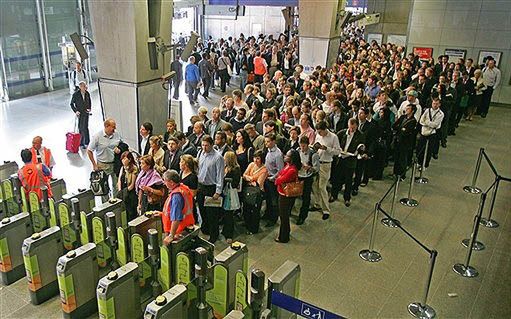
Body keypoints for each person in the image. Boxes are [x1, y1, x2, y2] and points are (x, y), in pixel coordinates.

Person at [196, 135, 225, 243]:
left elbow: (220, 176)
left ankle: (214, 235)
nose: (204, 147)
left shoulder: (218, 157)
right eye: (203, 145)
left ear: (212, 145)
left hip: (211, 188)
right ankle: (206, 230)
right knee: (202, 212)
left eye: (206, 145)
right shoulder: (201, 153)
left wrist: (218, 191)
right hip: (201, 186)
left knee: (212, 214)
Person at [331, 118, 365, 207]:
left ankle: (347, 198)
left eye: (353, 128)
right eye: (350, 127)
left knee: (348, 180)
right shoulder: (342, 133)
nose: (351, 130)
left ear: (357, 126)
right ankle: (334, 195)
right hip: (340, 158)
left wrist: (360, 151)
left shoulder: (360, 135)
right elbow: (335, 142)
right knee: (336, 178)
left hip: (351, 160)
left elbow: (361, 147)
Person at [87, 119, 122, 199]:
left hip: (114, 164)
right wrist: (94, 165)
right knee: (103, 186)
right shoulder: (97, 136)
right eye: (113, 127)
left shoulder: (116, 134)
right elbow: (89, 151)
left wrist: (119, 148)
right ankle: (106, 206)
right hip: (102, 165)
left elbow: (122, 144)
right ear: (106, 126)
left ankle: (116, 202)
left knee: (116, 185)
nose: (115, 128)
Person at [313, 121, 340, 220]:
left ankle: (326, 210)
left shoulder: (333, 137)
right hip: (317, 162)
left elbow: (338, 151)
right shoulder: (318, 135)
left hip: (326, 164)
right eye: (318, 132)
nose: (319, 134)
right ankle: (317, 204)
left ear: (325, 130)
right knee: (314, 185)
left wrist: (327, 148)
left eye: (320, 132)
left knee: (322, 187)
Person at [161, 169, 195, 245]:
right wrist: (161, 213)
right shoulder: (183, 188)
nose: (164, 183)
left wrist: (171, 235)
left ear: (172, 182)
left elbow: (176, 218)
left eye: (165, 181)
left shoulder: (176, 195)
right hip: (187, 224)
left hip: (178, 230)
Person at [274, 149, 301, 243]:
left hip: (286, 196)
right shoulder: (288, 166)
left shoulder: (292, 170)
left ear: (292, 159)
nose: (285, 156)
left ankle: (284, 237)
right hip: (282, 193)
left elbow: (278, 180)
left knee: (284, 216)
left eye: (287, 156)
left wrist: (279, 178)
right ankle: (285, 232)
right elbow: (280, 176)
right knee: (283, 216)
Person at [242, 150, 268, 234]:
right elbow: (244, 175)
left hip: (257, 193)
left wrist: (249, 178)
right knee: (246, 208)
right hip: (247, 190)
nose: (255, 160)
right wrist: (251, 179)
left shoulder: (264, 169)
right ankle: (247, 224)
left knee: (255, 212)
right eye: (254, 158)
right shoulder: (251, 165)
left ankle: (253, 229)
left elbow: (259, 183)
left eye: (258, 158)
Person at [296, 136, 319, 225]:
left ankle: (303, 216)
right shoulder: (298, 150)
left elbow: (316, 168)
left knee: (306, 197)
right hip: (298, 176)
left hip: (307, 177)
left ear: (308, 145)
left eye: (304, 146)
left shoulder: (313, 154)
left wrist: (309, 167)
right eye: (301, 146)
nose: (302, 148)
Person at [263, 133, 284, 227]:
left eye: (268, 142)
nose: (266, 143)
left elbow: (280, 170)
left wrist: (272, 178)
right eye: (265, 141)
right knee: (268, 198)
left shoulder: (278, 154)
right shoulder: (269, 150)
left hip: (273, 180)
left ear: (273, 141)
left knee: (273, 200)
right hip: (267, 177)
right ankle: (267, 214)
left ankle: (273, 218)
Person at [418, 97, 444, 169]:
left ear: (439, 105)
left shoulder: (441, 114)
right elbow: (421, 120)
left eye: (436, 104)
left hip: (432, 133)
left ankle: (425, 164)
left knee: (429, 149)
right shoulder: (427, 111)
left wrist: (427, 122)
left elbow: (435, 124)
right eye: (433, 103)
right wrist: (428, 123)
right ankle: (419, 162)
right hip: (424, 132)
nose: (434, 105)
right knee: (420, 148)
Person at [392, 104, 417, 179]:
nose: (406, 110)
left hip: (405, 142)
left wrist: (401, 129)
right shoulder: (402, 117)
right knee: (396, 157)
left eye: (408, 109)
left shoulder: (413, 121)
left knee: (402, 158)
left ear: (412, 111)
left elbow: (407, 132)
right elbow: (394, 126)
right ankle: (395, 172)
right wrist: (401, 128)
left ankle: (402, 174)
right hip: (398, 140)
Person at [222, 151, 241, 244]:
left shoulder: (236, 169)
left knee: (229, 215)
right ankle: (225, 230)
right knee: (225, 214)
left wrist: (225, 179)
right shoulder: (224, 167)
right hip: (224, 192)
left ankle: (229, 234)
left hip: (230, 194)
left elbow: (235, 183)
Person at [117, 151, 139, 221]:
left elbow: (132, 185)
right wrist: (120, 191)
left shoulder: (134, 168)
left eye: (124, 159)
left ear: (129, 159)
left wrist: (124, 192)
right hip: (124, 192)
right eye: (122, 159)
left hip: (131, 193)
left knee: (131, 212)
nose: (123, 161)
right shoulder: (122, 168)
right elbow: (119, 180)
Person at [70, 81, 91, 149]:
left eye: (85, 86)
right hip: (80, 113)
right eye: (83, 86)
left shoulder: (87, 93)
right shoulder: (76, 94)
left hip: (86, 112)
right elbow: (71, 104)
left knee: (86, 127)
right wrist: (76, 111)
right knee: (81, 128)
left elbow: (89, 101)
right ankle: (81, 142)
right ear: (80, 87)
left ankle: (87, 141)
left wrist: (89, 108)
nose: (85, 88)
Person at [180, 154, 199, 222]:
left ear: (186, 165)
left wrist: (183, 192)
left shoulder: (192, 177)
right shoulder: (181, 173)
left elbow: (193, 193)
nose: (179, 163)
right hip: (181, 201)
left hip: (188, 203)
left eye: (181, 162)